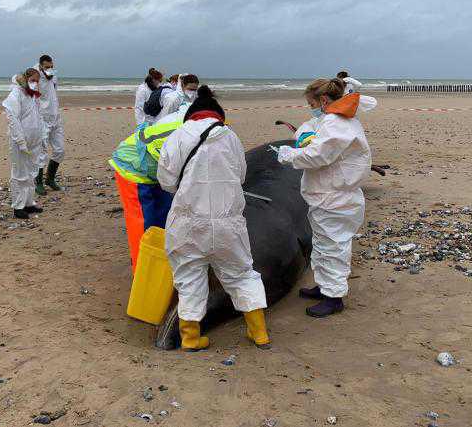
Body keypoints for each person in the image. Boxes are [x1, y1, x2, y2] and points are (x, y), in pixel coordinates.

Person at [158, 86, 270, 351]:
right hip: (228, 223)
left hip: (187, 222)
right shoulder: (231, 137)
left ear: (190, 116)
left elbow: (165, 181)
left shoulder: (177, 136)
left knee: (189, 276)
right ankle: (259, 332)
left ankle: (190, 337)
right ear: (218, 116)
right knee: (241, 274)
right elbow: (241, 175)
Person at [276, 78, 372, 317]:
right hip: (328, 195)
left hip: (336, 197)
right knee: (322, 245)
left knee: (333, 247)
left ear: (324, 100)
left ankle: (334, 297)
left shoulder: (337, 123)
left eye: (311, 103)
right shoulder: (336, 120)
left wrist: (289, 155)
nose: (311, 107)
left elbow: (318, 155)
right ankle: (325, 287)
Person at [109, 107, 187, 272]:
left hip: (157, 169)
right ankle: (143, 274)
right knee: (144, 226)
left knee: (164, 219)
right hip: (132, 167)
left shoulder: (195, 124)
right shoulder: (190, 134)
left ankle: (162, 267)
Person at [3, 68, 46, 219]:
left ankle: (29, 203)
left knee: (31, 172)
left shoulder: (33, 96)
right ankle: (18, 206)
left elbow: (38, 117)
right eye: (33, 80)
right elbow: (13, 119)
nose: (35, 84)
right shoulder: (16, 93)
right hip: (20, 142)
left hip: (34, 140)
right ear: (26, 79)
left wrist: (42, 137)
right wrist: (20, 141)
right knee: (19, 173)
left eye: (37, 81)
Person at [34, 54, 64, 195]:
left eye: (52, 67)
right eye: (47, 67)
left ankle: (50, 179)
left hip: (55, 117)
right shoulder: (34, 76)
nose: (50, 69)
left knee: (60, 150)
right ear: (40, 66)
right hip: (42, 119)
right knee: (42, 152)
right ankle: (38, 182)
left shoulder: (53, 76)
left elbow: (54, 93)